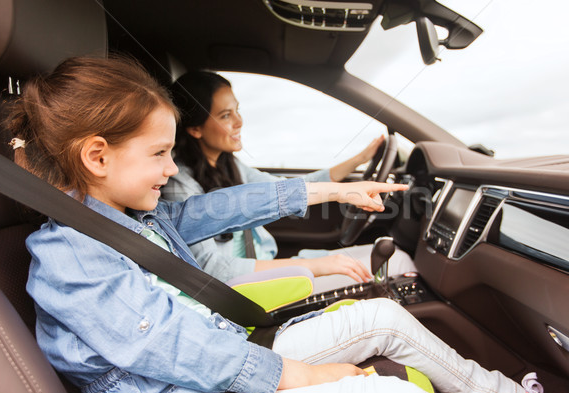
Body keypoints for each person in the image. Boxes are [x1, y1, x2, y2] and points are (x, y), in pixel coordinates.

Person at [10, 56, 544, 393]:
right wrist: (301, 375)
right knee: (388, 392)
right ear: (98, 158)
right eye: (159, 154)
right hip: (188, 388)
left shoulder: (138, 220)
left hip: (221, 356)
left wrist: (334, 189)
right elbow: (169, 348)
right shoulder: (72, 254)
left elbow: (229, 206)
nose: (172, 170)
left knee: (382, 316)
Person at [162, 71, 417, 291]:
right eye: (226, 115)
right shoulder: (180, 184)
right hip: (248, 289)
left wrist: (359, 160)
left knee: (394, 259)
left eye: (237, 110)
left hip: (267, 269)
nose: (240, 121)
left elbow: (285, 190)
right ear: (195, 128)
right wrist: (311, 266)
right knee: (399, 263)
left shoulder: (229, 165)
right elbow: (211, 268)